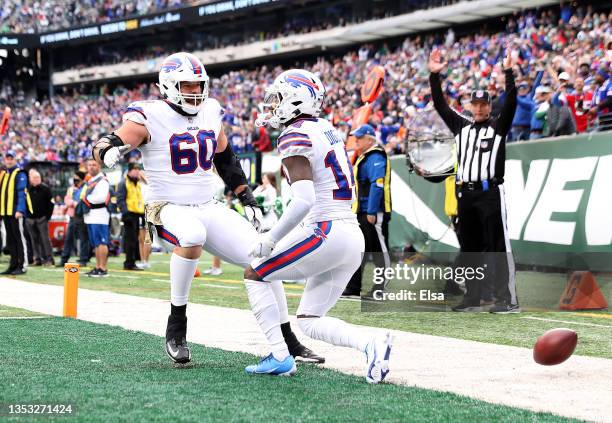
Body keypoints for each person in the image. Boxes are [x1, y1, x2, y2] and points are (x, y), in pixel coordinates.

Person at [92, 52, 322, 365]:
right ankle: (177, 324)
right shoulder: (149, 113)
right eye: (186, 85)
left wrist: (246, 197)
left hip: (206, 204)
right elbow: (113, 139)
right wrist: (106, 150)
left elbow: (225, 158)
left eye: (198, 84)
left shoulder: (211, 110)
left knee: (266, 256)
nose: (194, 91)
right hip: (167, 206)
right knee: (191, 234)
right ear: (169, 84)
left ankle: (287, 340)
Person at [242, 69, 392, 382]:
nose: (274, 104)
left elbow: (304, 199)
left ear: (296, 99)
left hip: (326, 229)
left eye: (280, 97)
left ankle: (280, 355)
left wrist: (272, 238)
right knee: (310, 319)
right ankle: (372, 344)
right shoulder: (326, 128)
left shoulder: (294, 134)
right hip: (350, 235)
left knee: (256, 271)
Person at [428, 48, 519, 314]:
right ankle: (473, 298)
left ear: (490, 107)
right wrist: (435, 76)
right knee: (470, 249)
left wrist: (509, 72)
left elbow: (512, 102)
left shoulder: (498, 127)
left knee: (497, 247)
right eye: (475, 104)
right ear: (470, 106)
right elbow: (440, 105)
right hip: (464, 196)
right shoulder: (460, 126)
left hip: (489, 193)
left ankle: (507, 299)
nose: (479, 108)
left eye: (483, 105)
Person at [343, 123, 391, 297]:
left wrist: (371, 210)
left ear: (370, 139)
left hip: (372, 212)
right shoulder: (365, 156)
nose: (356, 140)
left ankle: (380, 288)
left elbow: (377, 185)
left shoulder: (375, 156)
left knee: (379, 251)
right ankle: (354, 287)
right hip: (362, 210)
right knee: (359, 250)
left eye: (360, 137)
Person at [0, 151, 31, 275]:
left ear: (15, 160)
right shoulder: (5, 174)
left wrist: (20, 210)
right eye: (7, 159)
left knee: (20, 239)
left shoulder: (20, 173)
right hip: (6, 212)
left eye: (11, 158)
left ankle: (22, 265)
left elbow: (22, 193)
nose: (8, 161)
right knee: (10, 240)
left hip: (15, 212)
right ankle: (13, 265)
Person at [81, 159, 111, 277]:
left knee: (102, 242)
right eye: (89, 165)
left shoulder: (102, 180)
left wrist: (86, 199)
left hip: (99, 214)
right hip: (91, 215)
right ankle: (98, 266)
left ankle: (103, 268)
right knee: (96, 243)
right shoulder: (91, 180)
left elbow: (101, 198)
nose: (91, 167)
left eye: (94, 165)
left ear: (99, 166)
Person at [116, 162, 145, 271]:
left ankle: (132, 262)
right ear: (129, 170)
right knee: (130, 241)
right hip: (129, 215)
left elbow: (138, 200)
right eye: (135, 169)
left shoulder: (136, 183)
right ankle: (128, 263)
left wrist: (142, 213)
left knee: (134, 240)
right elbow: (120, 199)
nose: (137, 171)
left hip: (136, 215)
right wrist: (125, 213)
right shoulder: (124, 183)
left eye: (138, 169)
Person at [59, 171, 90, 267]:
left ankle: (83, 259)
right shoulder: (71, 189)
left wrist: (73, 203)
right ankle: (64, 259)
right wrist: (74, 203)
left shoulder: (87, 187)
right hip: (73, 216)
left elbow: (84, 200)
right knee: (68, 238)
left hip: (82, 216)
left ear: (81, 178)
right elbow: (66, 200)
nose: (74, 179)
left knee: (83, 239)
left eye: (76, 177)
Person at [25, 168, 54, 266]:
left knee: (45, 239)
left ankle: (49, 259)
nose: (37, 179)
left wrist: (47, 217)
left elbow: (51, 204)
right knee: (34, 240)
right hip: (30, 219)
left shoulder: (45, 189)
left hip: (42, 218)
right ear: (30, 179)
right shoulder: (27, 189)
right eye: (35, 177)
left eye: (38, 177)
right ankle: (37, 259)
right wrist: (27, 215)